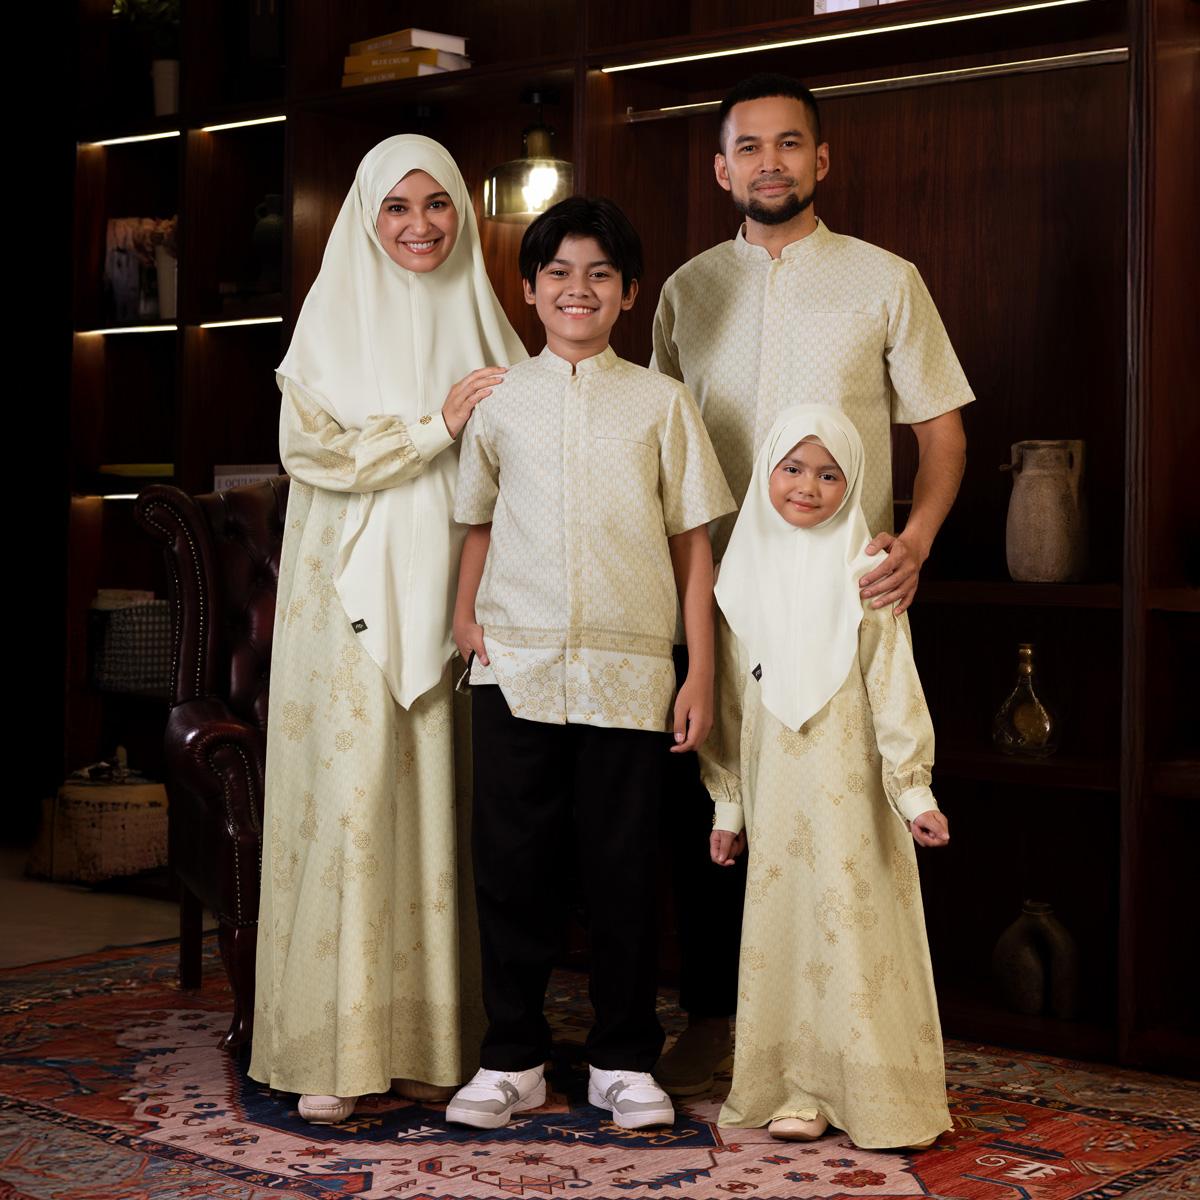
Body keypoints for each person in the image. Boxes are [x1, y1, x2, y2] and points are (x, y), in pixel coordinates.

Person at [650, 73, 973, 1095]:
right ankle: (715, 1022)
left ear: (821, 159)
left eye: (789, 144)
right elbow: (657, 440)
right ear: (721, 169)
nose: (770, 163)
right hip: (715, 590)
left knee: (843, 820)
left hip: (844, 595)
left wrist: (915, 539)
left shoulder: (885, 279)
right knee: (716, 807)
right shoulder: (686, 291)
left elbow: (942, 431)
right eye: (749, 147)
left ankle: (851, 1037)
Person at [249, 134, 528, 1125]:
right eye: (398, 207)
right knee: (354, 801)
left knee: (438, 805)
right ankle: (332, 1049)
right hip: (346, 604)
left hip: (458, 596)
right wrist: (433, 428)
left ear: (462, 213)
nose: (420, 226)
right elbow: (310, 450)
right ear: (366, 219)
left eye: (438, 204)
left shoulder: (489, 323)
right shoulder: (331, 319)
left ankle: (427, 1046)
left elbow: (530, 456)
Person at [446, 196, 735, 1131]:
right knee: (511, 867)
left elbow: (693, 545)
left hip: (632, 672)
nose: (580, 290)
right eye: (560, 274)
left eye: (600, 275)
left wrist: (698, 670)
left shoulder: (662, 402)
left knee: (623, 869)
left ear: (629, 294)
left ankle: (622, 1060)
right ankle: (513, 1059)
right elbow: (479, 521)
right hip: (514, 665)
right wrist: (463, 616)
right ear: (530, 290)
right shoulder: (499, 402)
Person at [702, 404, 952, 1149]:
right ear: (767, 472)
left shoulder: (868, 574)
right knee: (788, 929)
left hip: (855, 793)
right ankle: (798, 1088)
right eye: (792, 468)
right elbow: (729, 704)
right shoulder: (738, 578)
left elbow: (894, 686)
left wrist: (914, 791)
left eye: (829, 473)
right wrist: (728, 808)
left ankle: (877, 1094)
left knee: (854, 927)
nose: (808, 487)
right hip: (775, 791)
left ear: (854, 483)